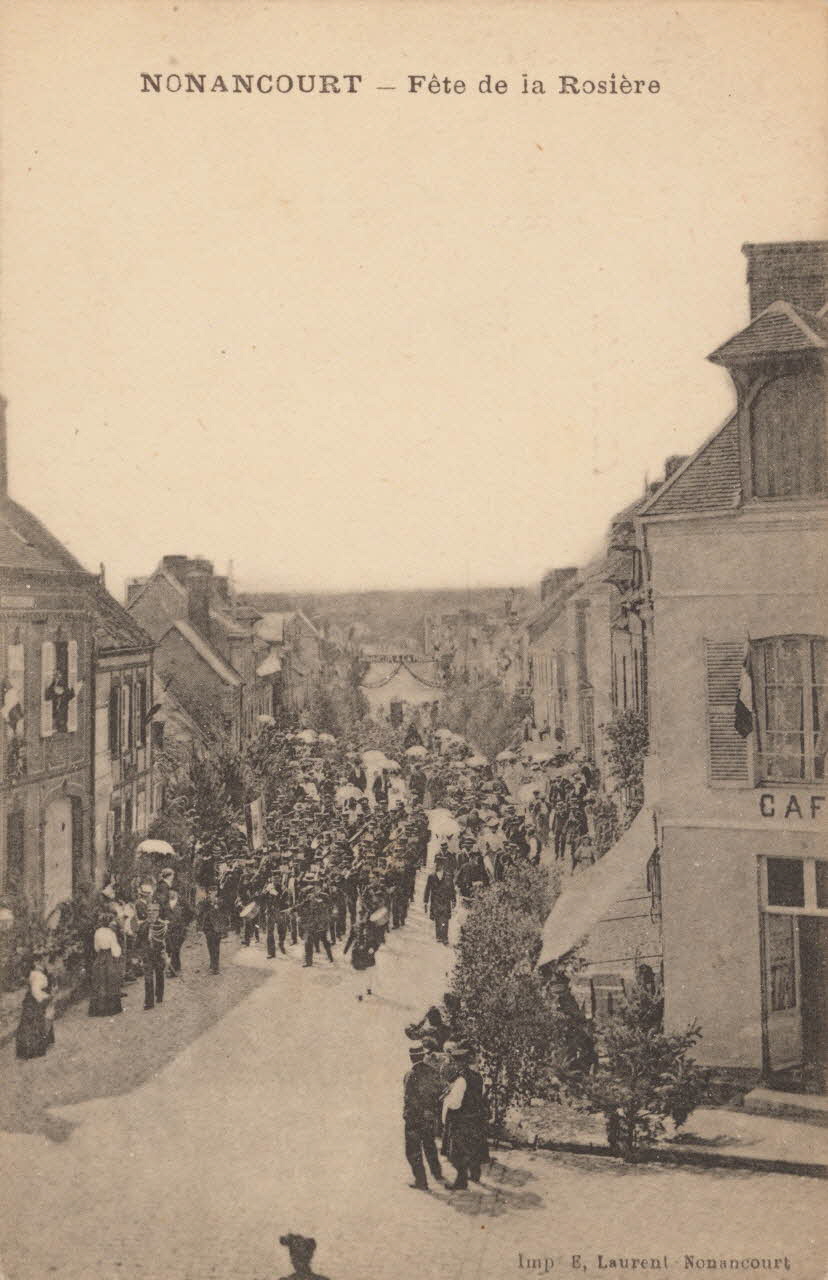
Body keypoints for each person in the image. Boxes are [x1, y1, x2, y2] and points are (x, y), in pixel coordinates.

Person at [441, 1043, 489, 1190]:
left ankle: (461, 1182)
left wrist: (447, 1102)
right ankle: (475, 1174)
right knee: (473, 1147)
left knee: (458, 1151)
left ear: (460, 1063)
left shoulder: (461, 1080)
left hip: (462, 1120)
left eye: (456, 1061)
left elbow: (455, 1103)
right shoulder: (477, 1076)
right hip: (476, 1117)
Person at [403, 1045, 444, 1190]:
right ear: (423, 1056)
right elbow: (440, 1092)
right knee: (429, 1145)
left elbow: (409, 1098)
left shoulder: (410, 1074)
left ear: (411, 1057)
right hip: (429, 1116)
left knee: (413, 1151)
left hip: (414, 1118)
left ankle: (421, 1181)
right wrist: (431, 1110)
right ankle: (437, 1173)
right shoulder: (433, 1072)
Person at [15, 952, 55, 1059]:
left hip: (31, 1001)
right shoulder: (39, 975)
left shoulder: (33, 973)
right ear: (36, 962)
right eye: (42, 961)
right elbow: (36, 991)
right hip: (37, 1000)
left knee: (30, 1023)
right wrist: (47, 998)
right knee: (38, 1021)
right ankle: (34, 1048)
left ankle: (30, 1046)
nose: (44, 963)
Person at [88, 911, 123, 1016]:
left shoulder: (97, 932)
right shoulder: (111, 933)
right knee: (111, 980)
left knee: (100, 981)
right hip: (109, 956)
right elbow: (115, 948)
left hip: (100, 957)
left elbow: (96, 948)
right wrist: (117, 955)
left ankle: (99, 1009)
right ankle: (111, 1008)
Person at [135, 900, 168, 1010]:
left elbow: (167, 941)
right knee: (148, 978)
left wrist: (167, 954)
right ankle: (149, 1002)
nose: (151, 913)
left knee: (159, 974)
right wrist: (137, 956)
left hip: (159, 954)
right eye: (149, 910)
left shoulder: (163, 925)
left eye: (154, 910)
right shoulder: (143, 925)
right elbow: (138, 941)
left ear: (158, 912)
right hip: (147, 955)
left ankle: (159, 996)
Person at [423, 855, 455, 944]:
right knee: (437, 918)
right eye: (437, 864)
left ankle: (445, 936)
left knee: (445, 919)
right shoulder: (431, 876)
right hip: (435, 901)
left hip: (445, 900)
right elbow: (427, 889)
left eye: (441, 864)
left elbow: (452, 889)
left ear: (444, 865)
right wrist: (425, 902)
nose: (438, 866)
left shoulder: (448, 876)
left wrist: (454, 900)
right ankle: (439, 936)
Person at [196, 889, 225, 974]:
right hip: (208, 928)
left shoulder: (221, 902)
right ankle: (213, 964)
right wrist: (199, 929)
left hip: (218, 928)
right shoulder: (204, 903)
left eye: (215, 892)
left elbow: (224, 915)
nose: (213, 894)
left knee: (216, 947)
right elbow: (200, 915)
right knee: (211, 946)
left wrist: (224, 929)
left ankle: (215, 966)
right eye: (211, 892)